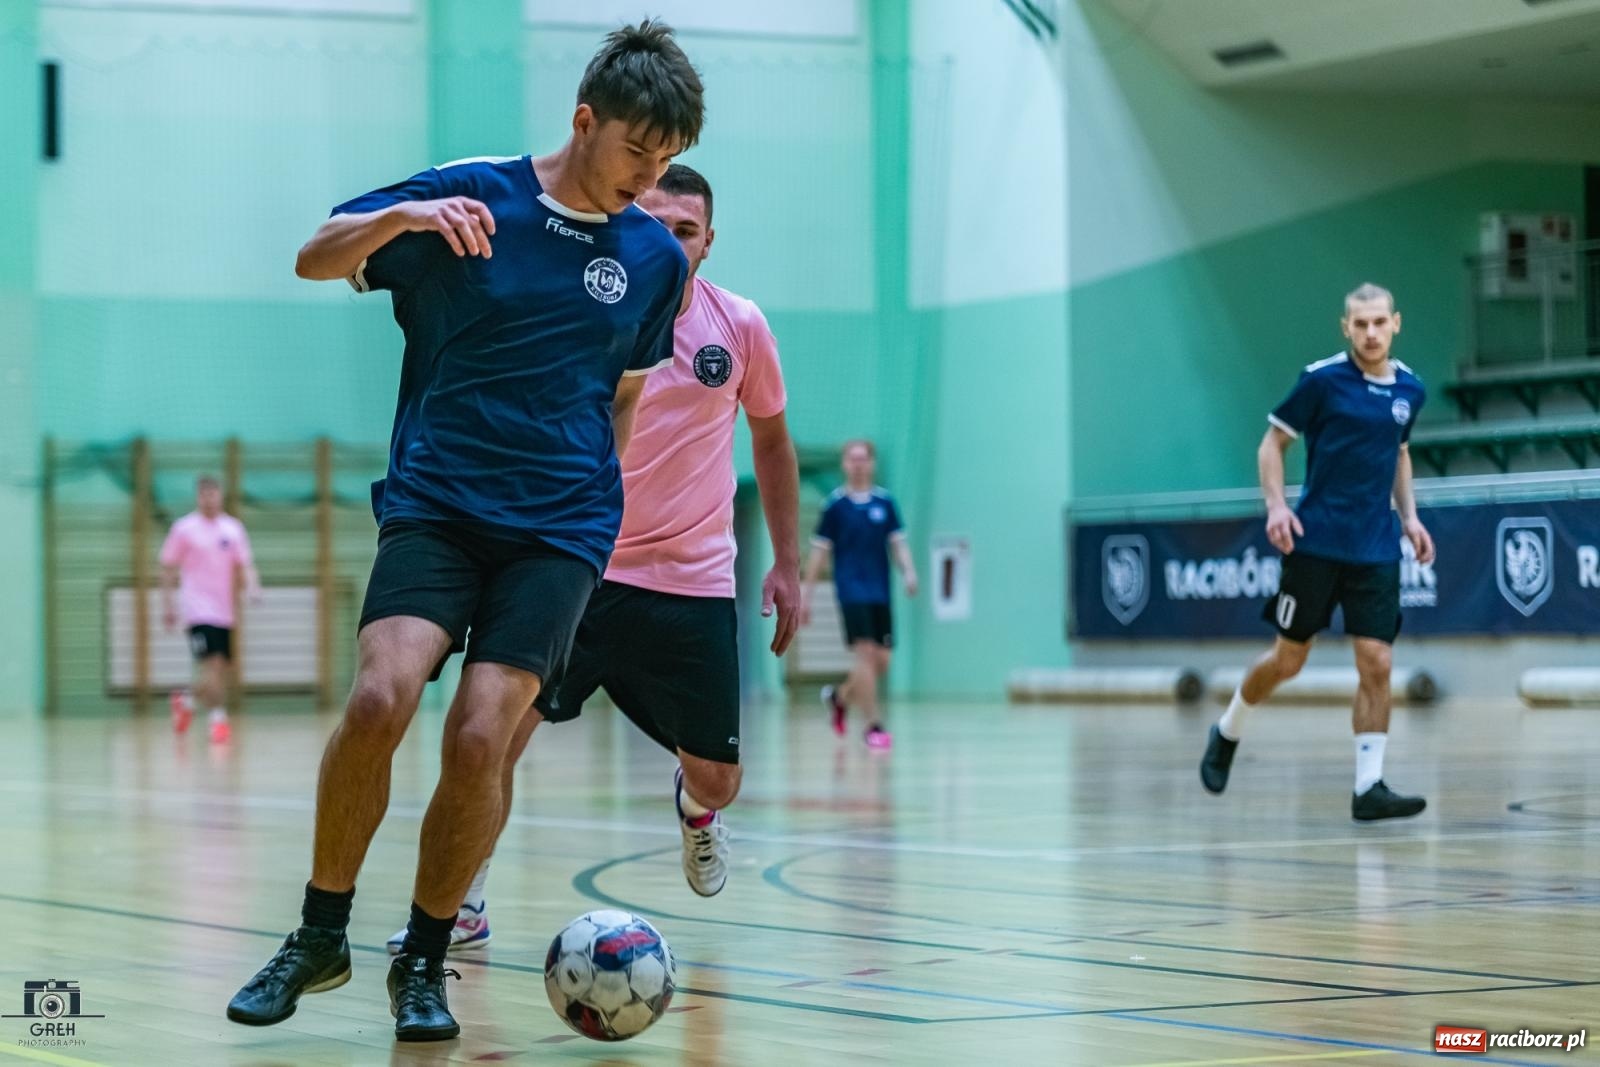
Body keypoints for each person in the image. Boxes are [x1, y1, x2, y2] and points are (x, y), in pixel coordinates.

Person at [225, 20, 703, 1042]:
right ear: (584, 120)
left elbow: (619, 392)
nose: (648, 178)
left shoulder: (656, 260)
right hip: (439, 501)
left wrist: (599, 505)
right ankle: (318, 932)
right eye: (636, 153)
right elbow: (314, 256)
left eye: (665, 162)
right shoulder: (470, 196)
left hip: (560, 528)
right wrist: (404, 214)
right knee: (379, 693)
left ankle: (425, 957)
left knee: (483, 731)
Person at [384, 162, 800, 954]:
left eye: (686, 230)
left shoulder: (738, 325)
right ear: (630, 224)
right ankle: (457, 899)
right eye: (656, 224)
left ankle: (695, 811)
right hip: (576, 565)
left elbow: (772, 438)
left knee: (719, 778)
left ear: (708, 243)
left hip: (691, 582)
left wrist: (785, 559)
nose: (670, 242)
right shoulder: (590, 308)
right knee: (493, 742)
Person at [1200, 282, 1434, 822]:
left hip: (1375, 546)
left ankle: (1368, 786)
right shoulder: (1321, 380)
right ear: (1345, 327)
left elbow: (1399, 453)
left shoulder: (1410, 391)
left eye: (1379, 322)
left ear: (1395, 323)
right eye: (1360, 323)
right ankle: (1228, 729)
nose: (1370, 332)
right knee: (1290, 658)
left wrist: (1411, 518)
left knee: (1377, 660)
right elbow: (1271, 445)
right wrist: (1277, 507)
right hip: (1317, 543)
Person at [801, 441, 917, 748]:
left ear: (872, 463)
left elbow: (898, 544)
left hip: (880, 591)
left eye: (862, 459)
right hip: (851, 590)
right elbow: (818, 554)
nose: (857, 464)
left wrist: (908, 571)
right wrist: (806, 595)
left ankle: (839, 697)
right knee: (865, 654)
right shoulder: (835, 507)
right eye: (852, 459)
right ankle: (873, 726)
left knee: (881, 661)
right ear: (843, 464)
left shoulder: (885, 503)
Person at [160, 474, 260, 744]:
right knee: (212, 664)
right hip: (197, 609)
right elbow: (168, 567)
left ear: (220, 495)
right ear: (198, 497)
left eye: (213, 493)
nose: (209, 499)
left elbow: (245, 564)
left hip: (224, 611)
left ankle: (186, 701)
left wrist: (252, 586)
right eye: (204, 494)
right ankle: (218, 720)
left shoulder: (232, 529)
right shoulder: (184, 529)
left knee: (221, 667)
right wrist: (168, 605)